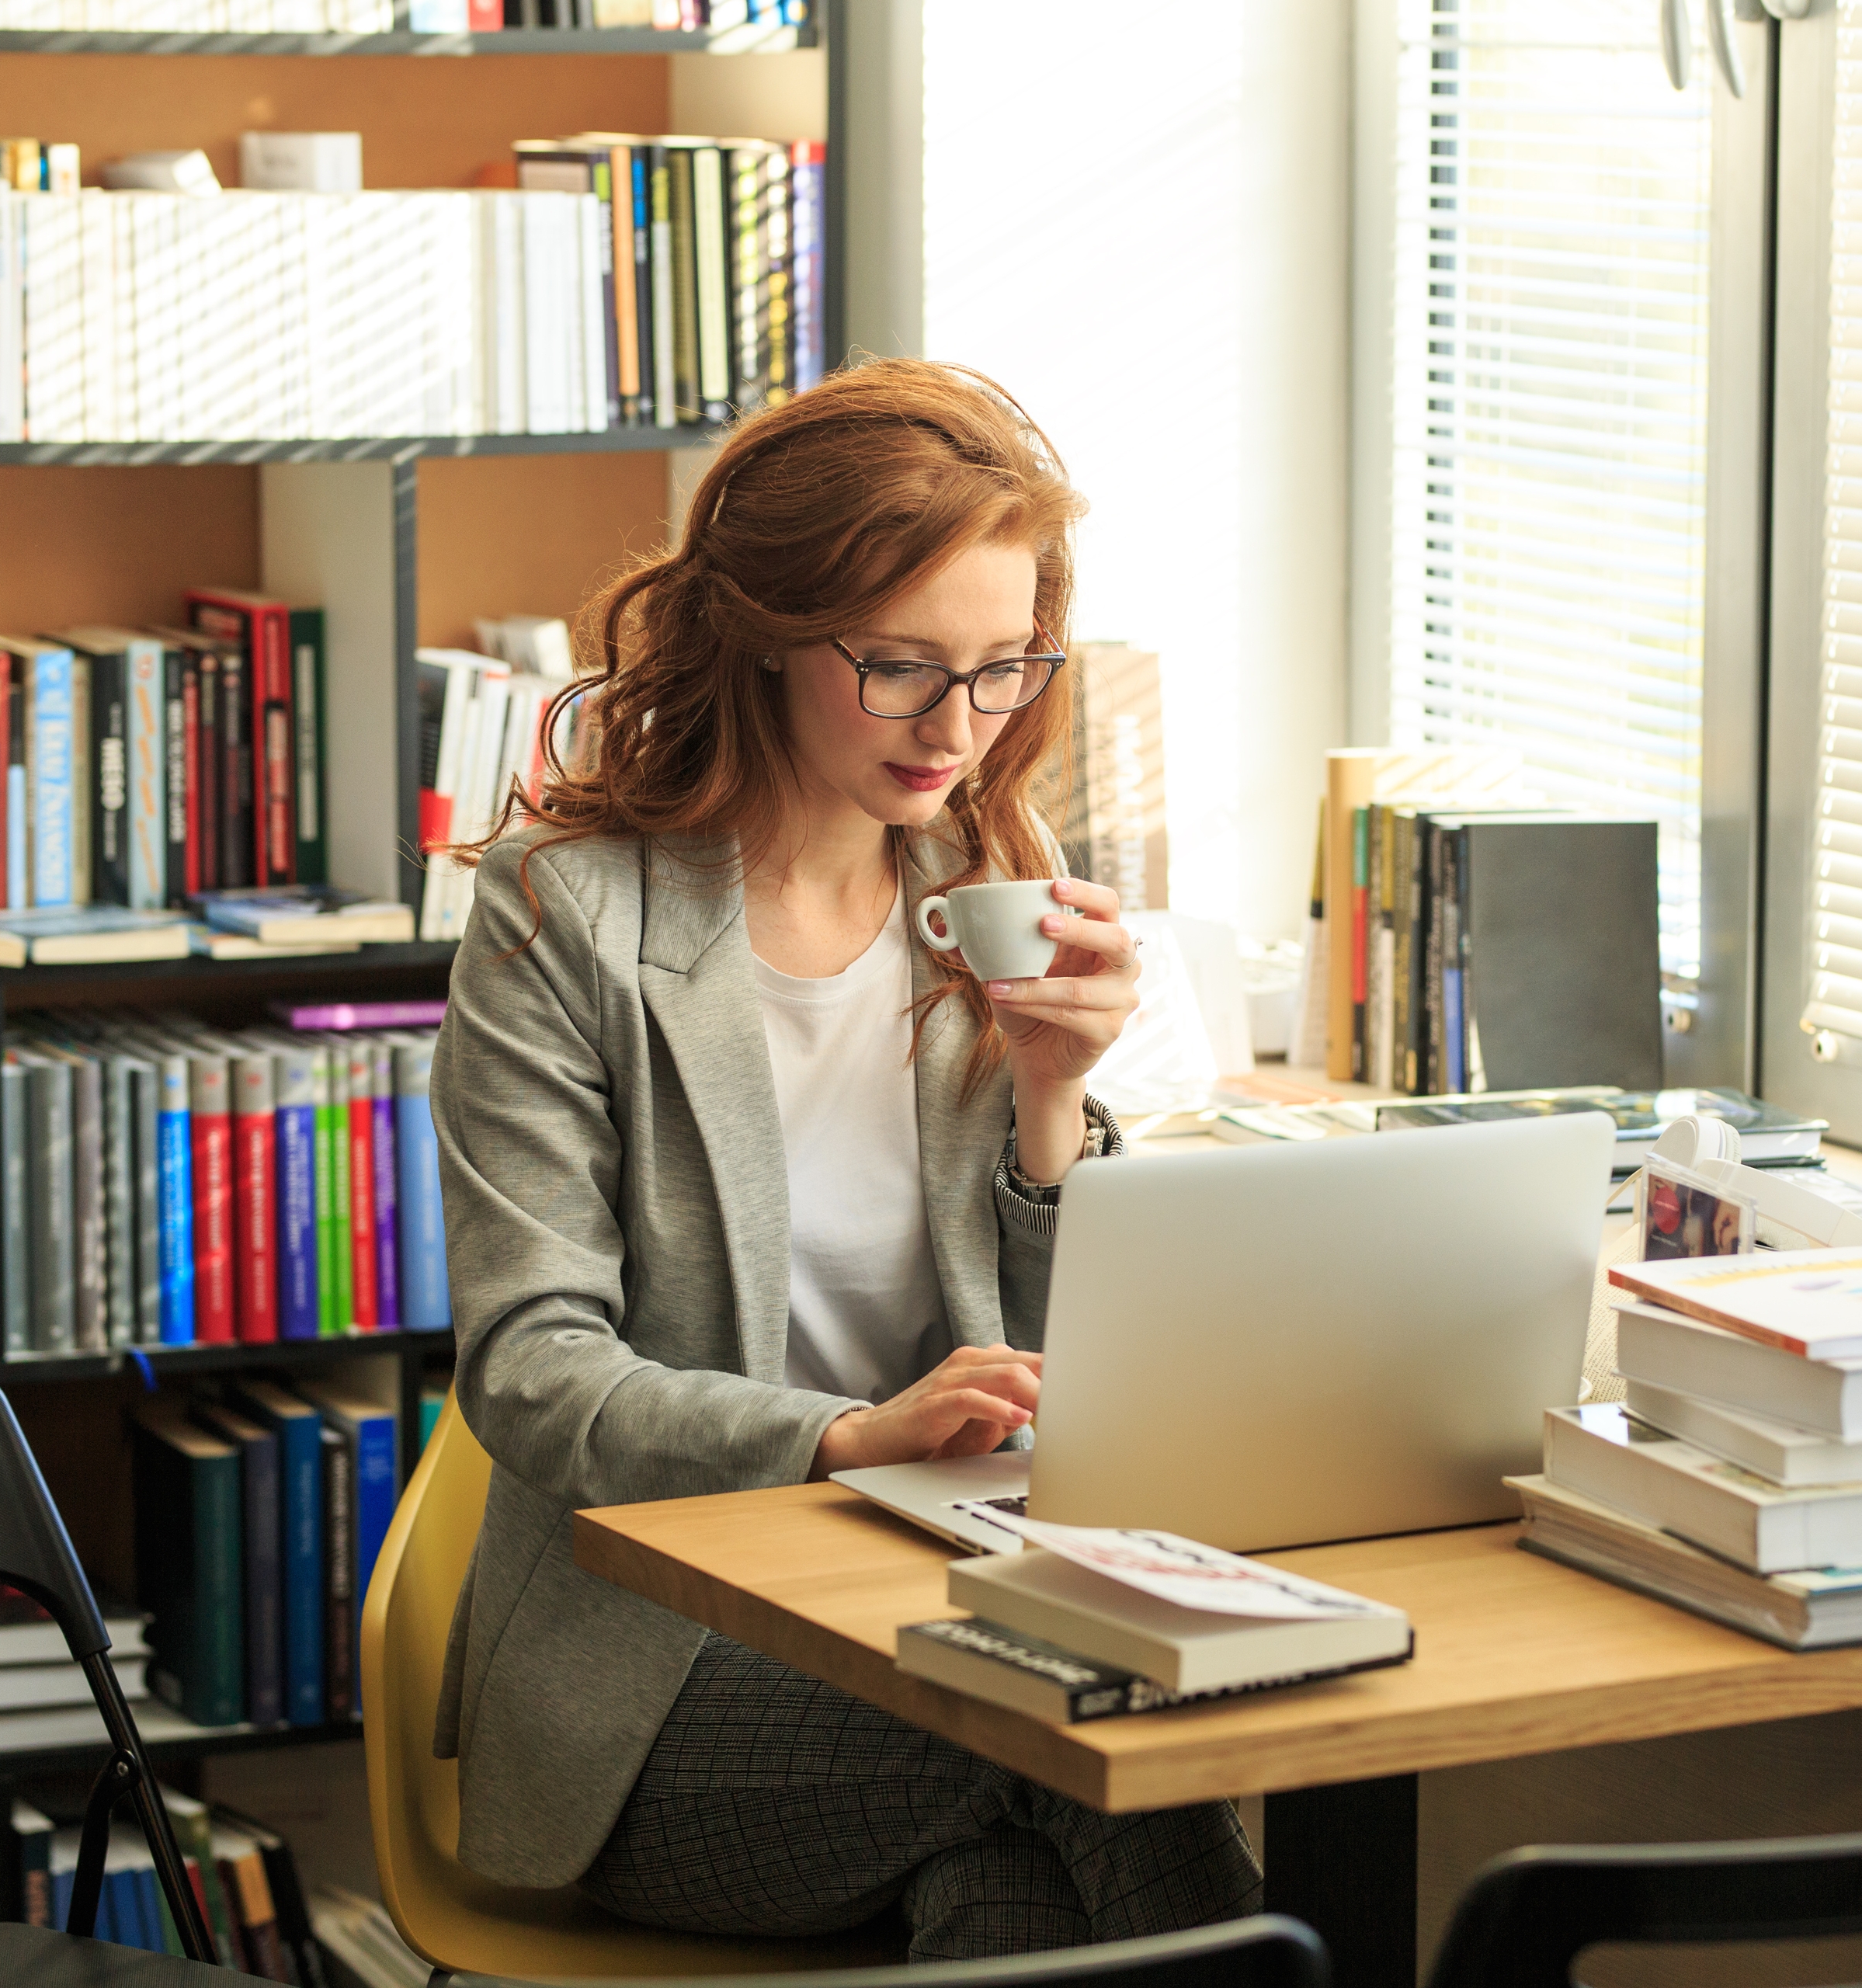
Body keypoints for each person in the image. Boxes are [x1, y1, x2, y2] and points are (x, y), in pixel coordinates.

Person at [426, 360, 1260, 1960]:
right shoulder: (568, 911)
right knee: (1071, 1729)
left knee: (1009, 1902)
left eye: (1006, 668)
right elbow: (532, 1373)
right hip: (661, 1667)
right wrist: (850, 1434)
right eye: (899, 668)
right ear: (761, 627)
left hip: (943, 1597)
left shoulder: (988, 874)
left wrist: (1055, 1098)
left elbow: (1073, 1364)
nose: (958, 727)